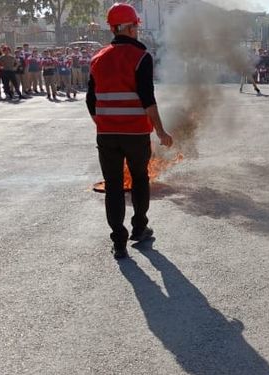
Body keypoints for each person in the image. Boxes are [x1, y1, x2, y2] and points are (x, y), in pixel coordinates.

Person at [87, 3, 173, 260]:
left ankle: (119, 242)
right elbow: (148, 98)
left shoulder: (97, 58)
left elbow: (90, 101)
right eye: (135, 26)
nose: (137, 30)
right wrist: (161, 131)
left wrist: (103, 123)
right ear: (129, 27)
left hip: (107, 136)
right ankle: (139, 228)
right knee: (139, 179)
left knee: (113, 186)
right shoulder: (141, 57)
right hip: (136, 134)